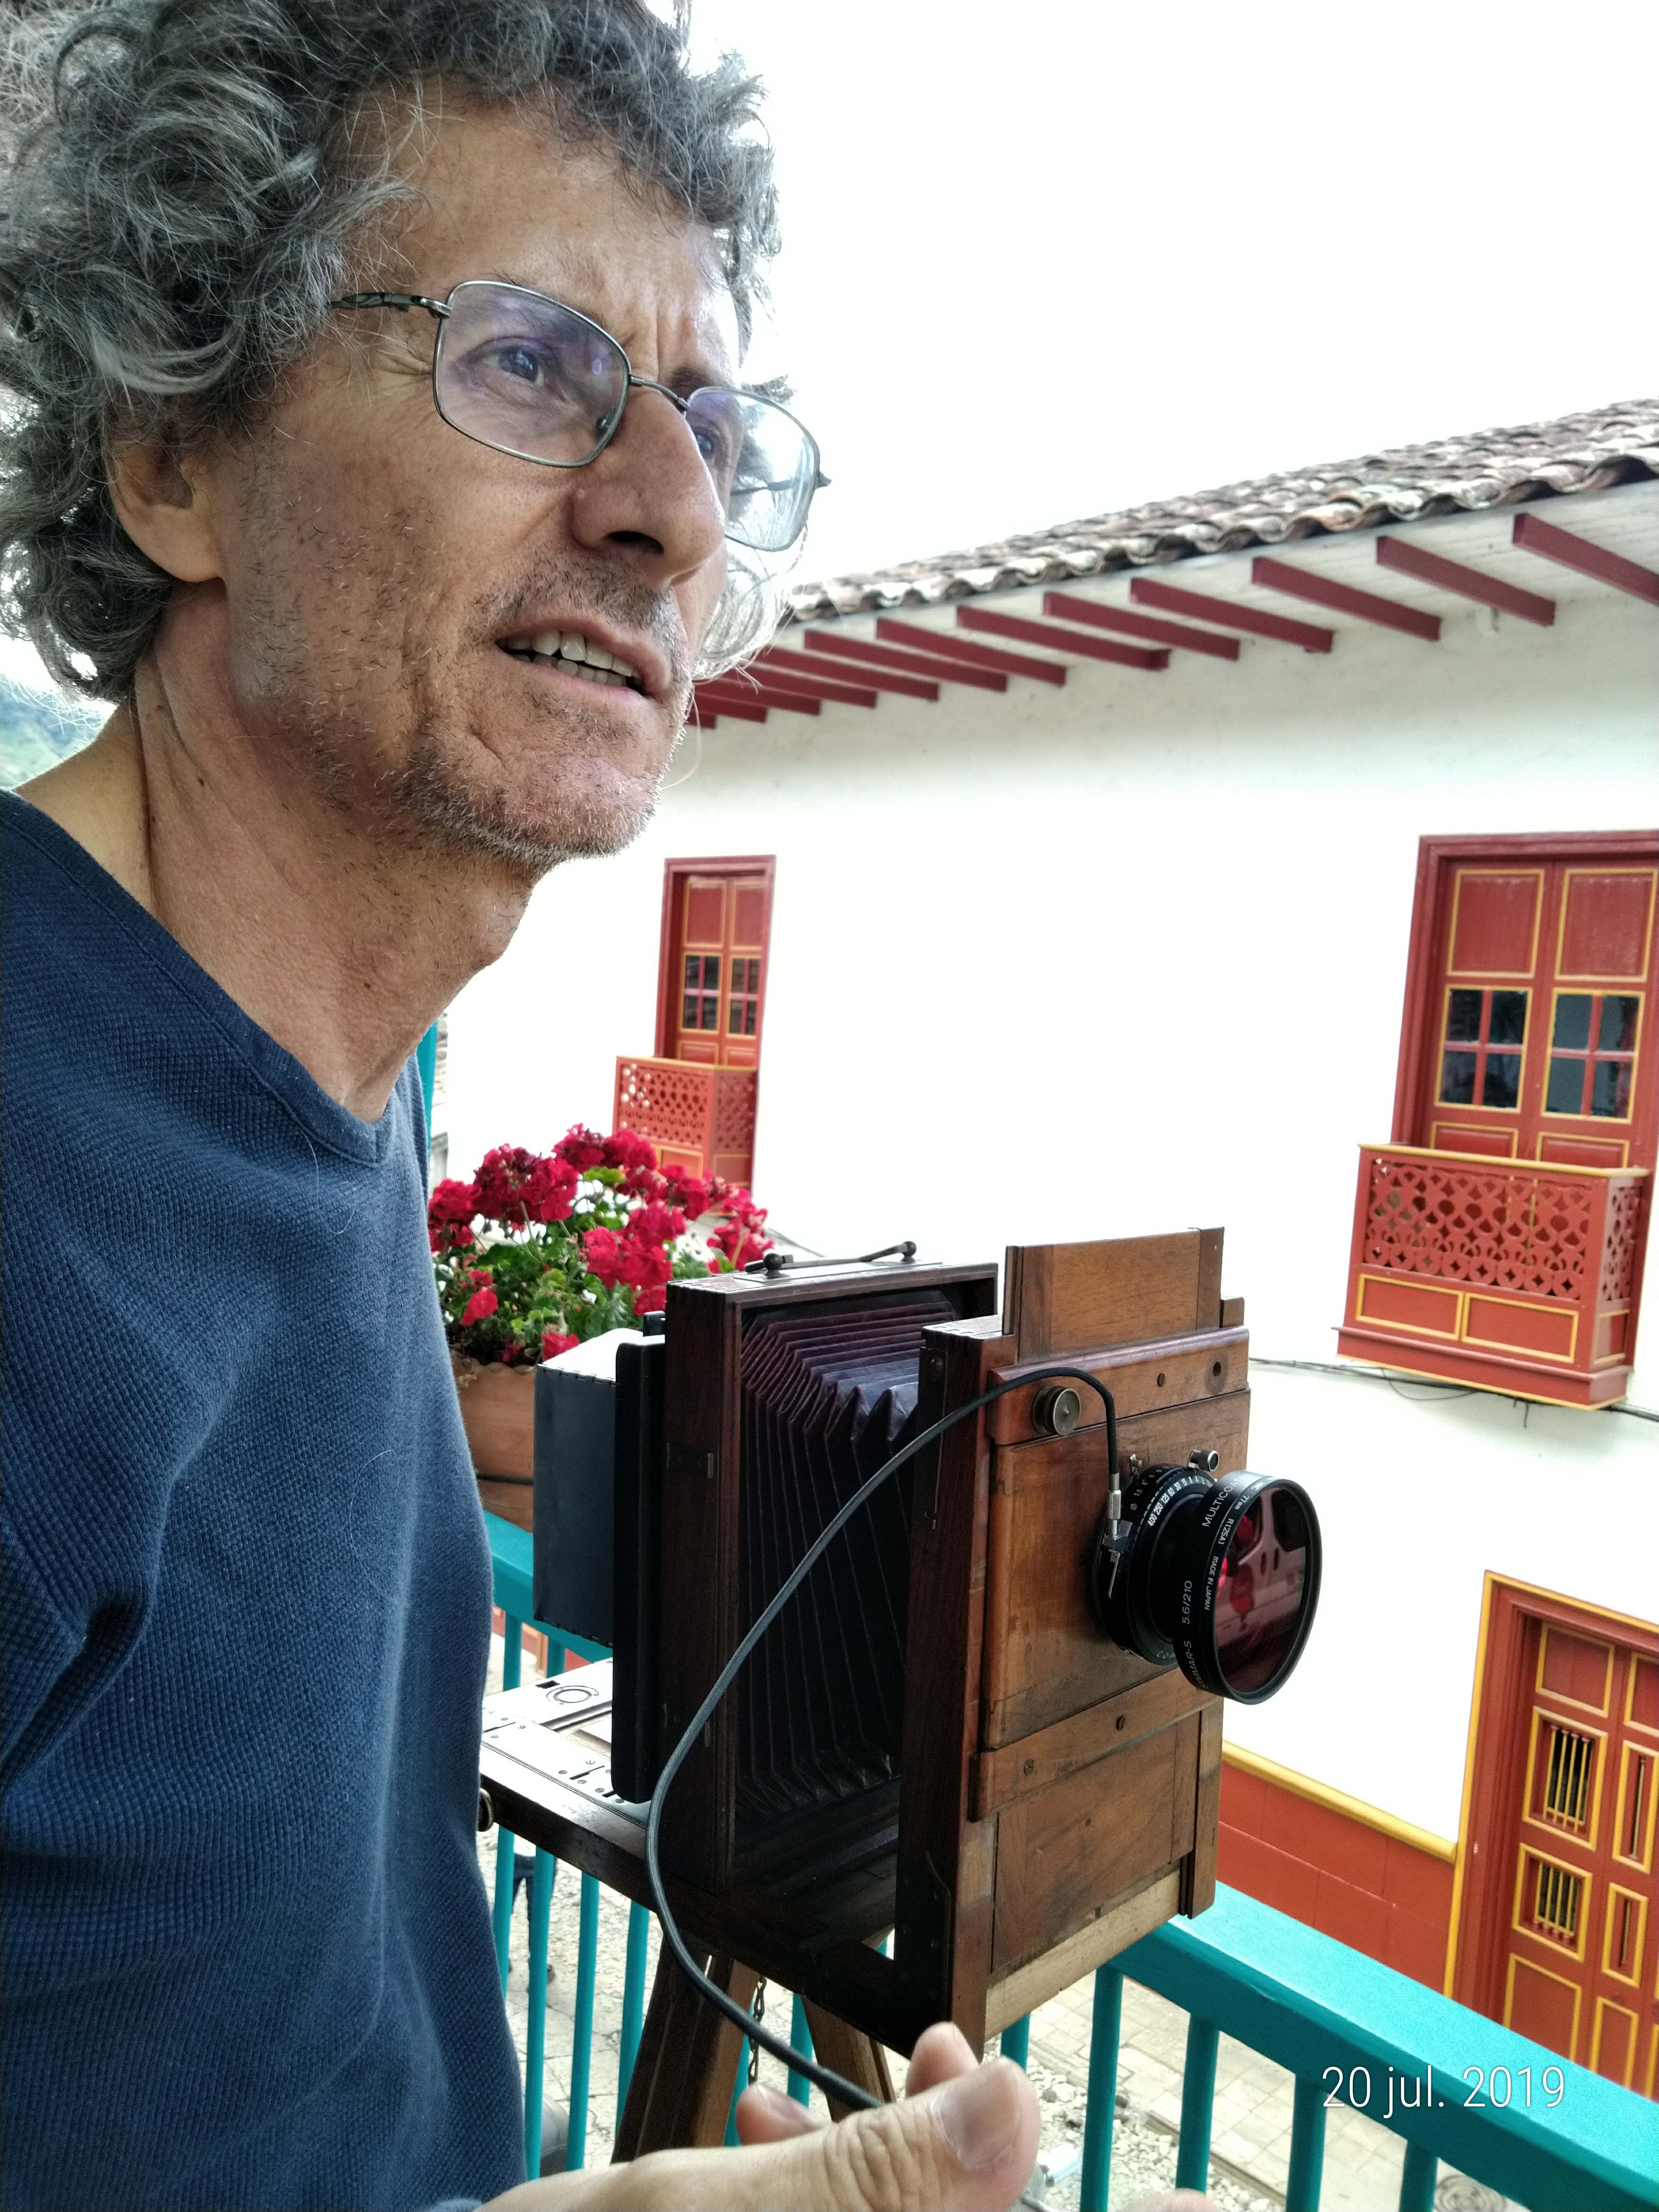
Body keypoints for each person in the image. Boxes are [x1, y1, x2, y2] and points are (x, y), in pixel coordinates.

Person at [0, 7, 1212, 2210]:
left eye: (712, 426)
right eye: (531, 361)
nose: (671, 511)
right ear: (173, 455)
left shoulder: (330, 1096)